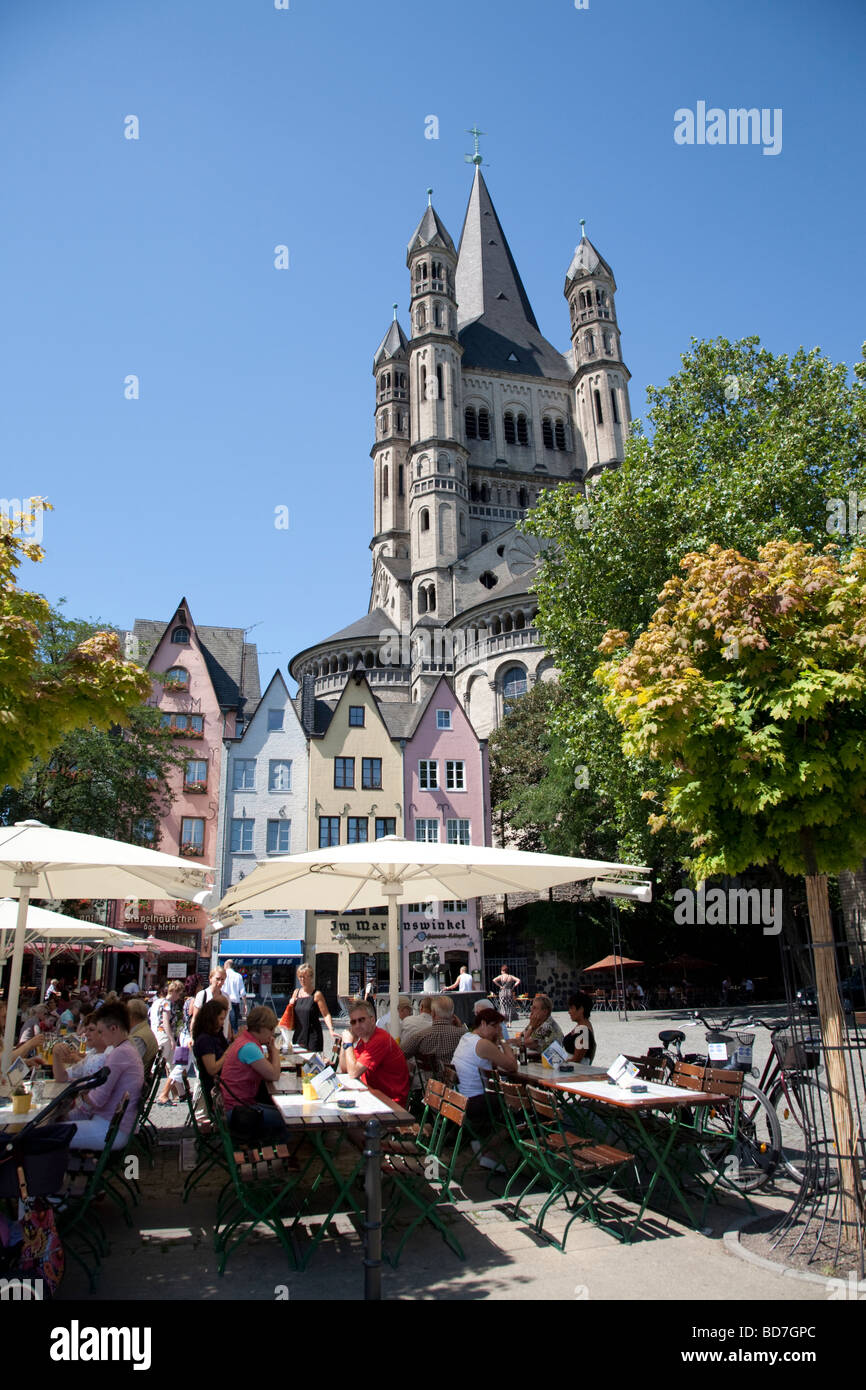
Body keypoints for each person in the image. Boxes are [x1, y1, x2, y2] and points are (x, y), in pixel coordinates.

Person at [63, 1002, 144, 1151]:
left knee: (51, 1133)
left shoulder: (119, 1053)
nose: (99, 1036)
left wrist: (81, 1089)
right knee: (57, 1126)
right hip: (117, 1125)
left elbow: (97, 1100)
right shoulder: (127, 1049)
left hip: (110, 1130)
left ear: (113, 1028)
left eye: (100, 1032)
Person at [218, 1005, 286, 1136]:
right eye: (271, 1029)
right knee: (285, 1118)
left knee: (278, 1111)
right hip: (238, 1111)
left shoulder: (246, 1040)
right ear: (261, 1028)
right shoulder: (249, 1047)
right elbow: (273, 1075)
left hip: (235, 1105)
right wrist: (274, 1051)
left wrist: (271, 1053)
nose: (272, 1033)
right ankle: (280, 1152)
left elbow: (267, 1073)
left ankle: (280, 1150)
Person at [451, 1008, 518, 1123]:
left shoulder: (466, 1038)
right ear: (482, 1023)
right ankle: (513, 1132)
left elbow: (494, 1063)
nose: (497, 1031)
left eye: (499, 1027)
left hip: (459, 1097)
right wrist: (502, 1039)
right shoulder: (482, 1044)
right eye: (494, 1026)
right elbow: (512, 1066)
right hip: (474, 1101)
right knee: (517, 1100)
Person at [339, 998, 410, 1107]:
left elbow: (353, 1073)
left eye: (361, 1020)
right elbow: (345, 1069)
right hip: (373, 1095)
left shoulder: (380, 1039)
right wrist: (345, 1044)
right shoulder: (364, 1040)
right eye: (353, 1022)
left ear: (372, 1020)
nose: (357, 1025)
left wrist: (348, 1044)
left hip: (390, 1103)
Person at [283, 964, 334, 1052]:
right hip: (299, 1034)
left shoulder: (317, 994)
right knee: (297, 1062)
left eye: (305, 977)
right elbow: (290, 1013)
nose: (302, 979)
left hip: (313, 1035)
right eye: (300, 977)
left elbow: (326, 1014)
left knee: (312, 1063)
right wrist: (290, 1004)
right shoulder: (296, 992)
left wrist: (331, 1029)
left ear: (311, 977)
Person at [404, 995, 466, 1068]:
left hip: (428, 1078)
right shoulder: (464, 1036)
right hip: (457, 1078)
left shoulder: (420, 1036)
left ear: (432, 1013)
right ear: (453, 1015)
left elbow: (401, 1053)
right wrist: (461, 1027)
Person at [192, 998, 230, 1100]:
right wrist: (227, 1053)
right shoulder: (205, 1039)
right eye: (221, 1019)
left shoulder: (216, 1033)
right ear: (212, 1018)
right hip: (215, 1089)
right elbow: (212, 1069)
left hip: (221, 1084)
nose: (223, 1023)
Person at [156, 981, 186, 1104]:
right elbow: (165, 1022)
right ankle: (148, 1094)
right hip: (165, 1037)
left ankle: (182, 1093)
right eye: (178, 994)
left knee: (174, 1065)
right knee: (158, 1066)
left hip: (165, 1036)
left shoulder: (164, 1002)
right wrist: (172, 1039)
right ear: (173, 991)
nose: (179, 997)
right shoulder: (167, 1004)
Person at [562, 991, 597, 1063]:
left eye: (571, 1008)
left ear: (581, 1009)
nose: (569, 1012)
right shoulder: (582, 1026)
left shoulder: (584, 1032)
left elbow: (576, 1060)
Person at [126, 997, 159, 1071]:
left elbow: (130, 1062)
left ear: (131, 1016)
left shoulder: (139, 1037)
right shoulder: (142, 1029)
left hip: (134, 1078)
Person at [222, 959, 246, 1033]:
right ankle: (233, 1040)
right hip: (234, 1003)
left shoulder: (223, 975)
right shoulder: (238, 976)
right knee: (234, 1025)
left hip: (224, 1002)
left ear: (226, 966)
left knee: (223, 1023)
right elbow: (242, 992)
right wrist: (245, 1004)